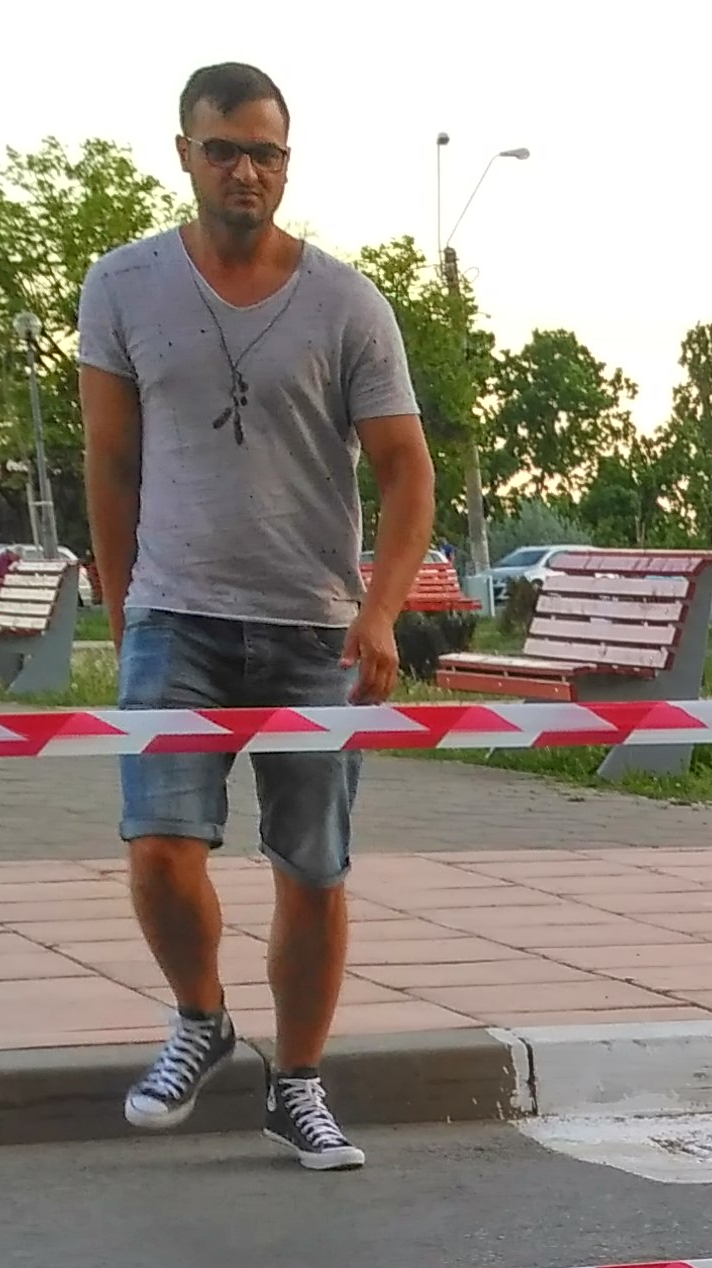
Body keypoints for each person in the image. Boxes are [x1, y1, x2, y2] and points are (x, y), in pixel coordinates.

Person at [79, 59, 434, 1171]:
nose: (246, 169)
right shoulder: (124, 284)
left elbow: (406, 474)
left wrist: (378, 614)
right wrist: (118, 598)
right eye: (225, 148)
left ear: (287, 163)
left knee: (313, 870)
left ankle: (298, 1083)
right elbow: (110, 458)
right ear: (183, 154)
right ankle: (199, 1019)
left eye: (266, 152)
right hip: (175, 619)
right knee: (159, 850)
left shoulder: (343, 300)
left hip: (310, 629)